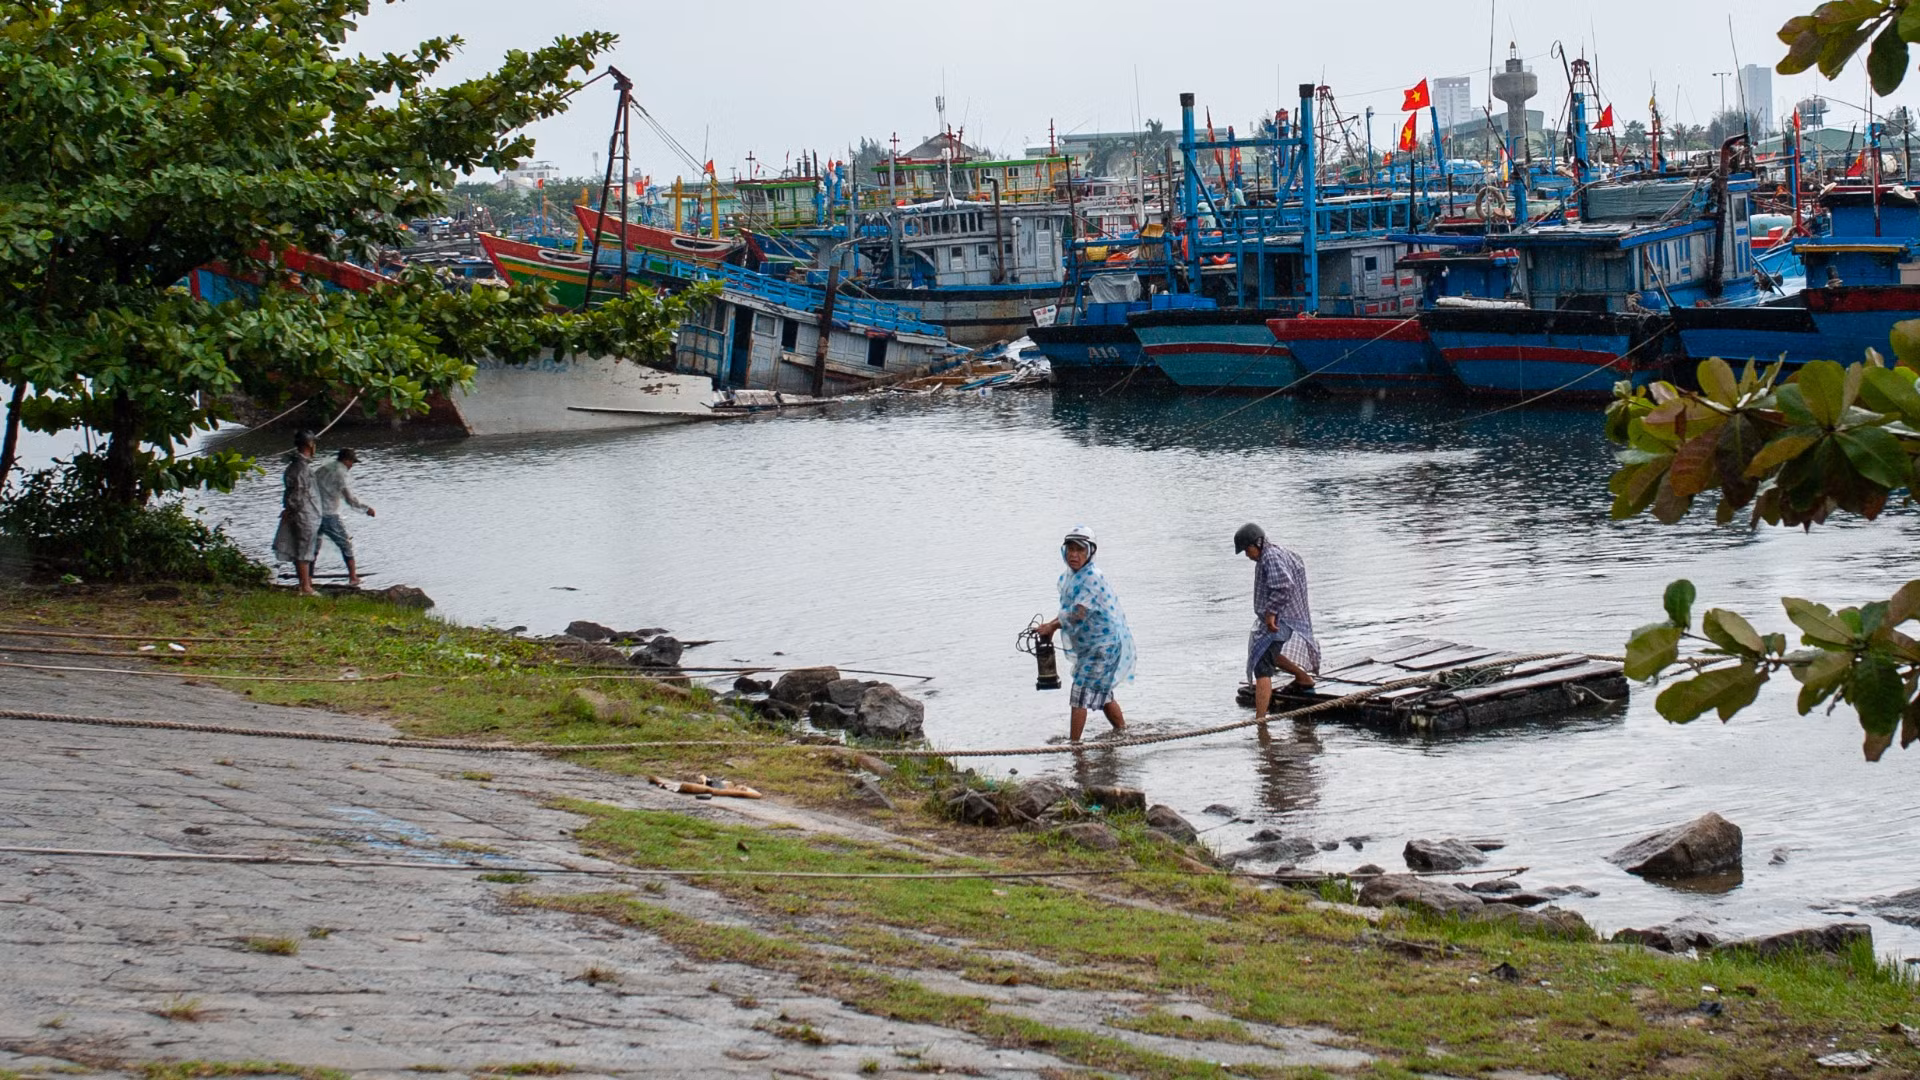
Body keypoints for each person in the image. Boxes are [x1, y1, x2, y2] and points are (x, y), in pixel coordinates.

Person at [1035, 526, 1135, 741]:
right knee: (1103, 694)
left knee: (1079, 694)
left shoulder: (1091, 578)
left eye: (1080, 550)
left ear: (1090, 552)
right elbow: (1070, 611)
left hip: (1103, 646)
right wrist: (1050, 626)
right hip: (1092, 646)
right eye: (1070, 549)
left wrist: (1052, 626)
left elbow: (1078, 613)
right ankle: (1123, 733)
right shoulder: (1073, 577)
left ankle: (1075, 746)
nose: (1074, 554)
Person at [1234, 522, 1320, 722]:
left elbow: (1283, 586)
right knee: (1265, 652)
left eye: (1247, 550)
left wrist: (1271, 613)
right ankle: (1304, 679)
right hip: (1288, 617)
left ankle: (1260, 722)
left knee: (1262, 667)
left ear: (1257, 543)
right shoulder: (1278, 552)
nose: (1247, 555)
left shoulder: (1270, 557)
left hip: (1281, 619)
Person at [313, 447, 376, 587]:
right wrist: (366, 508)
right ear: (347, 460)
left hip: (314, 513)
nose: (352, 466)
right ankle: (353, 578)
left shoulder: (322, 470)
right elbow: (349, 498)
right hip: (329, 514)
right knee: (346, 545)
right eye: (352, 462)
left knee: (313, 547)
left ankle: (307, 580)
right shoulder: (340, 473)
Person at [271, 431, 321, 595]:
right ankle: (305, 587)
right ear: (310, 445)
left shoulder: (297, 466)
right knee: (304, 549)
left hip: (305, 513)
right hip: (303, 514)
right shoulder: (300, 468)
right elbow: (297, 494)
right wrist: (291, 509)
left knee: (304, 548)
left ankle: (306, 584)